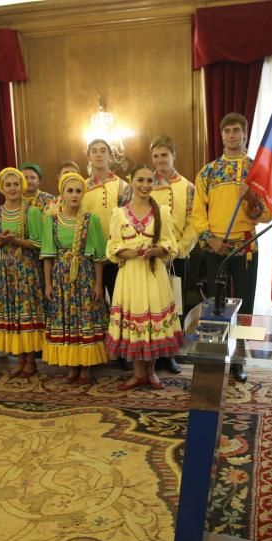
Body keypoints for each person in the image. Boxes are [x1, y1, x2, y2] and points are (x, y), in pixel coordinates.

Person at [190, 112, 266, 382]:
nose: (232, 135)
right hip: (215, 249)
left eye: (237, 130)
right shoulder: (208, 171)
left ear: (245, 134)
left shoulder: (257, 170)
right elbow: (197, 212)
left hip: (245, 247)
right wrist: (209, 237)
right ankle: (213, 356)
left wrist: (251, 199)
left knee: (246, 307)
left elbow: (266, 213)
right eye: (227, 131)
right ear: (221, 135)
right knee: (214, 305)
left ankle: (239, 360)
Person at [105, 164, 183, 389]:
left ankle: (152, 372)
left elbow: (171, 244)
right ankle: (138, 373)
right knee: (135, 322)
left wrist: (158, 251)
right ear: (131, 182)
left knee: (152, 321)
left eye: (149, 181)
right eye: (140, 180)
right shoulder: (118, 213)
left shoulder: (163, 211)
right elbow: (112, 246)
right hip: (130, 275)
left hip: (153, 274)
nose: (145, 185)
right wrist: (127, 253)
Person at [41, 172, 108, 384]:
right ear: (62, 193)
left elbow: (98, 257)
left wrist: (98, 284)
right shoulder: (51, 221)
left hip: (85, 276)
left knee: (85, 318)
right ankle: (72, 364)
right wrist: (48, 284)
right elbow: (48, 256)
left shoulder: (91, 220)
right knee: (68, 319)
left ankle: (86, 365)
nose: (74, 195)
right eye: (70, 190)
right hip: (62, 277)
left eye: (78, 191)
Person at [0, 167, 46, 379]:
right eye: (8, 184)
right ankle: (19, 358)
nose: (12, 188)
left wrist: (15, 240)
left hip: (27, 270)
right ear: (1, 187)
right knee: (12, 313)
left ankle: (30, 360)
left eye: (16, 184)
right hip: (5, 270)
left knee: (26, 312)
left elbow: (39, 243)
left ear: (23, 186)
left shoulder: (32, 212)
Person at [149, 136, 196, 372]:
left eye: (164, 155)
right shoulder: (146, 184)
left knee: (175, 306)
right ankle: (153, 353)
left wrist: (177, 249)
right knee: (153, 307)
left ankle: (171, 354)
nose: (159, 160)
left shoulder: (187, 187)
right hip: (151, 256)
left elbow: (193, 221)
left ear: (173, 156)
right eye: (155, 156)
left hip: (177, 256)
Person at [81, 139, 131, 302]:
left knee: (120, 304)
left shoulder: (123, 186)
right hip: (89, 256)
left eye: (103, 150)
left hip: (116, 256)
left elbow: (128, 221)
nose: (99, 154)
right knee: (93, 307)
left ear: (110, 156)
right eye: (94, 151)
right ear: (88, 156)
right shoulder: (81, 187)